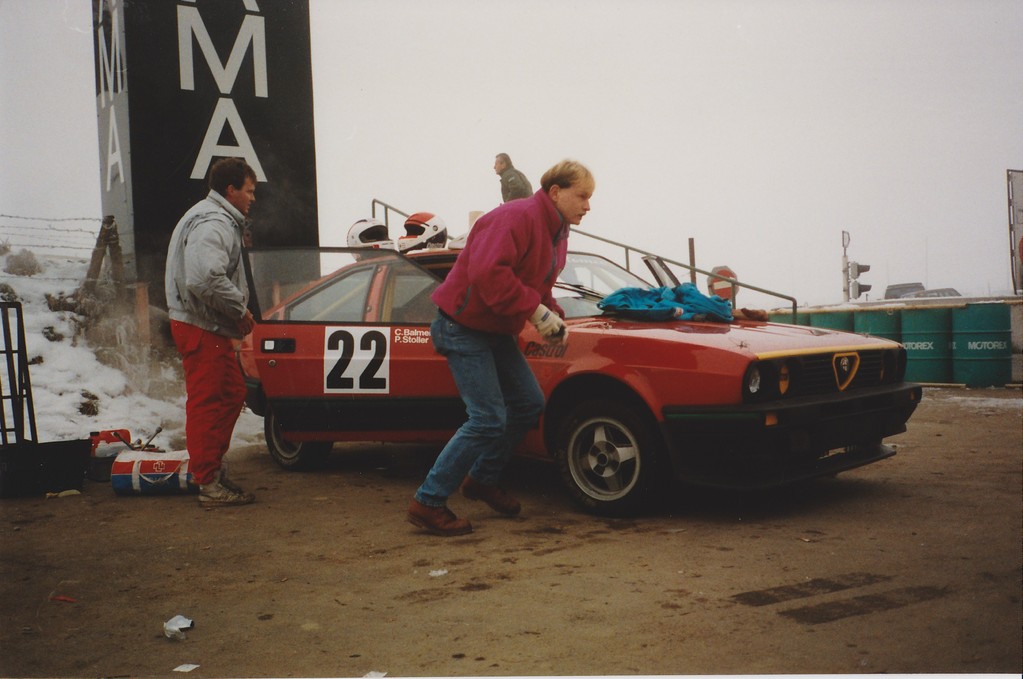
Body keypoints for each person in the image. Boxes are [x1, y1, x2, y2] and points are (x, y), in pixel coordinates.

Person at [407, 159, 595, 536]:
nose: (588, 206)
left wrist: (552, 311)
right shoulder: (516, 217)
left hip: (494, 330)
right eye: (583, 196)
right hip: (461, 326)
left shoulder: (557, 231)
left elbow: (538, 281)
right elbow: (488, 273)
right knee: (488, 418)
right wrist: (535, 312)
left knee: (528, 403)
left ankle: (481, 480)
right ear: (556, 192)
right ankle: (427, 502)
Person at [164, 157, 258, 508]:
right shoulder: (215, 222)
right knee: (209, 400)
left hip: (203, 324)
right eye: (249, 191)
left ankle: (210, 471)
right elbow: (204, 278)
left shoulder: (209, 216)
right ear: (230, 190)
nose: (252, 198)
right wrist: (239, 309)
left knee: (231, 392)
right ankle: (208, 482)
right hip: (200, 326)